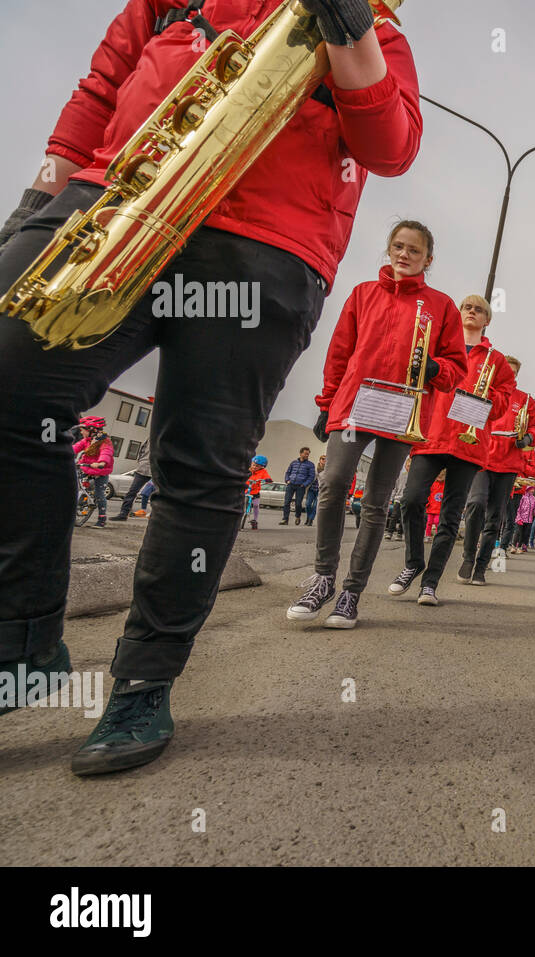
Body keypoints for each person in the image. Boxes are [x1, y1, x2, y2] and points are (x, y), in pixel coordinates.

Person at [0, 0, 421, 775]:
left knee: (201, 461)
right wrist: (43, 194)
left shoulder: (378, 27)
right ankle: (20, 638)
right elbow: (102, 84)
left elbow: (391, 145)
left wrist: (347, 28)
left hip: (265, 244)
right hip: (118, 200)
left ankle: (143, 681)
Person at [287, 220, 466, 629]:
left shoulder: (441, 306)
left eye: (414, 250)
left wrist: (436, 367)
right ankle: (323, 579)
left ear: (428, 259)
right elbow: (340, 352)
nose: (405, 255)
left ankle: (351, 592)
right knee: (332, 484)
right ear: (388, 250)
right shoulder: (362, 294)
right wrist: (326, 403)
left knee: (376, 502)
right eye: (398, 246)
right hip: (354, 403)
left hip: (401, 411)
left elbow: (457, 367)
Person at [390, 295, 516, 606]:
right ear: (458, 314)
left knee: (449, 517)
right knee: (410, 500)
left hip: (468, 445)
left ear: (487, 320)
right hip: (430, 435)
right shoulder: (441, 348)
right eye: (467, 308)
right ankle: (413, 563)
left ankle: (430, 583)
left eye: (480, 310)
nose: (472, 312)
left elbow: (504, 403)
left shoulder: (497, 360)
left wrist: (484, 402)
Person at [458, 356, 535, 584]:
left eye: (513, 372)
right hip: (481, 459)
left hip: (508, 465)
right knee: (475, 503)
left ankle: (481, 568)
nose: (509, 374)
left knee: (495, 518)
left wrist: (528, 438)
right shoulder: (483, 391)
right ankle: (467, 557)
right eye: (506, 370)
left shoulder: (526, 400)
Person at [74, 416, 115, 529]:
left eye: (83, 429)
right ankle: (82, 501)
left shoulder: (105, 441)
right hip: (86, 469)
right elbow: (75, 448)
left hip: (100, 471)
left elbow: (106, 453)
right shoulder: (86, 440)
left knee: (99, 494)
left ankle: (101, 520)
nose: (81, 432)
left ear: (92, 429)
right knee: (77, 487)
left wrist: (101, 462)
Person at [110, 436, 151, 522]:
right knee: (132, 491)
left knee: (159, 494)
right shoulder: (150, 437)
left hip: (157, 470)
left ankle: (157, 516)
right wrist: (141, 461)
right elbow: (142, 450)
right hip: (143, 468)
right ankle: (123, 514)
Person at [281, 447, 316, 525]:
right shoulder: (293, 463)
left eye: (308, 454)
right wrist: (287, 480)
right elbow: (288, 472)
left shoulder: (310, 465)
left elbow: (311, 476)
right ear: (301, 453)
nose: (307, 455)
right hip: (291, 484)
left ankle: (297, 516)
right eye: (305, 453)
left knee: (298, 503)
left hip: (300, 486)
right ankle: (285, 519)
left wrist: (304, 484)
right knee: (287, 502)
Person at [245, 455, 272, 531]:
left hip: (255, 491)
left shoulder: (263, 472)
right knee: (241, 504)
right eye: (253, 465)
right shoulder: (247, 469)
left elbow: (267, 477)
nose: (254, 467)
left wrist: (268, 480)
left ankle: (255, 520)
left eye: (257, 466)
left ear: (262, 467)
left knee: (256, 505)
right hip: (245, 490)